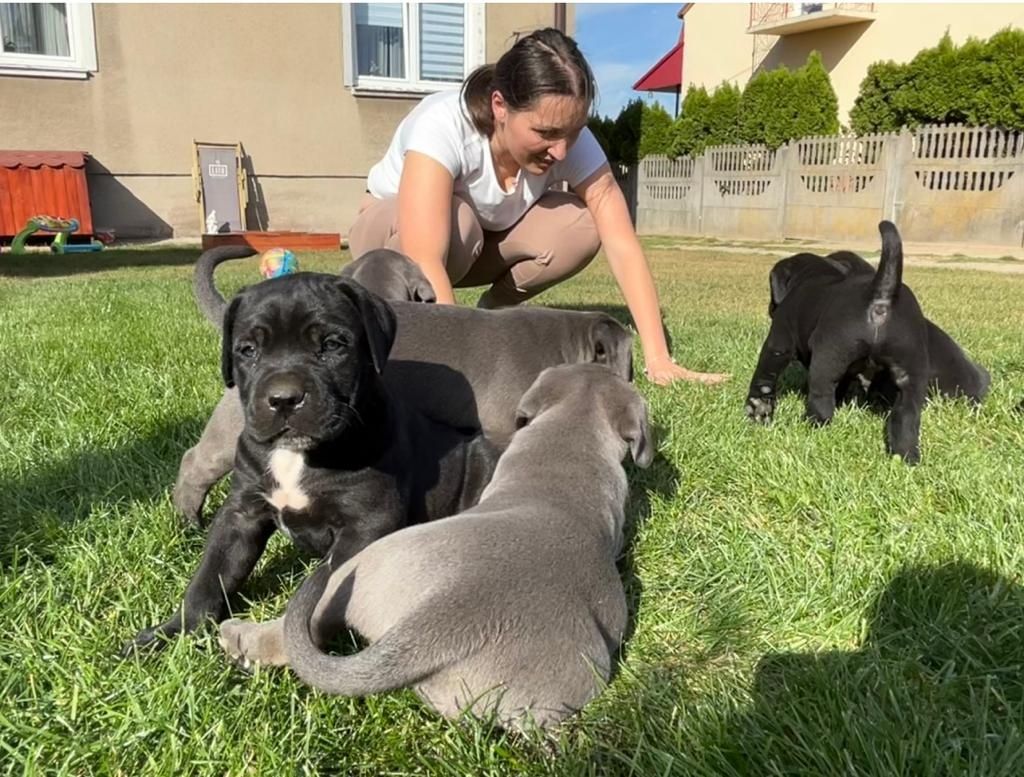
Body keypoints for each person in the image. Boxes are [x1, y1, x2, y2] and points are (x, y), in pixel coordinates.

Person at [348, 27, 727, 386]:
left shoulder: (567, 137)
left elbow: (621, 242)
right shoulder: (443, 125)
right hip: (390, 242)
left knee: (581, 225)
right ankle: (385, 327)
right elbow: (424, 258)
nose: (561, 150)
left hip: (474, 245)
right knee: (461, 221)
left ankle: (492, 317)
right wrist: (465, 368)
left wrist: (659, 358)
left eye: (573, 131)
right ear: (500, 106)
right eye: (545, 134)